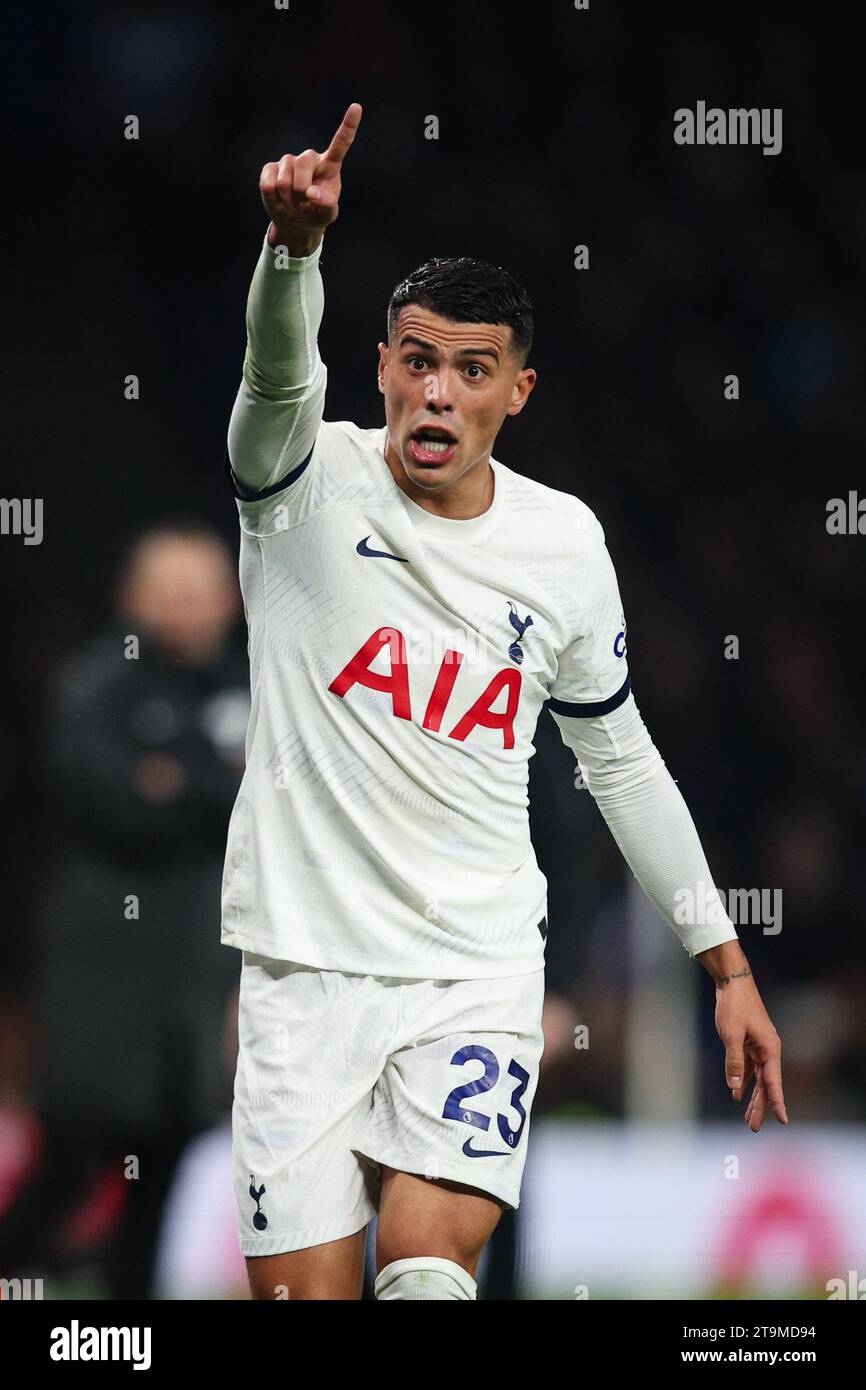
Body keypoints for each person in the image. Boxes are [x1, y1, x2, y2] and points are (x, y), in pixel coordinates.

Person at [224, 103, 787, 1302]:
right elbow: (275, 366)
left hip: (473, 963)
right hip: (301, 967)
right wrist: (293, 250)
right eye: (415, 362)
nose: (436, 395)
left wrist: (723, 963)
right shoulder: (298, 478)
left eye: (469, 371)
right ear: (379, 367)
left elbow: (621, 761)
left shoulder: (562, 543)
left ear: (515, 391)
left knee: (427, 1268)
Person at [0, 522, 247, 1299]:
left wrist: (179, 779)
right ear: (131, 596)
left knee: (165, 1162)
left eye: (201, 587)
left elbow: (262, 800)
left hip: (197, 970)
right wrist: (213, 785)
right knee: (73, 1154)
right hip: (102, 969)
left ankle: (124, 1321)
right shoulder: (97, 682)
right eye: (168, 587)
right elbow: (109, 795)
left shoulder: (255, 685)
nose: (186, 605)